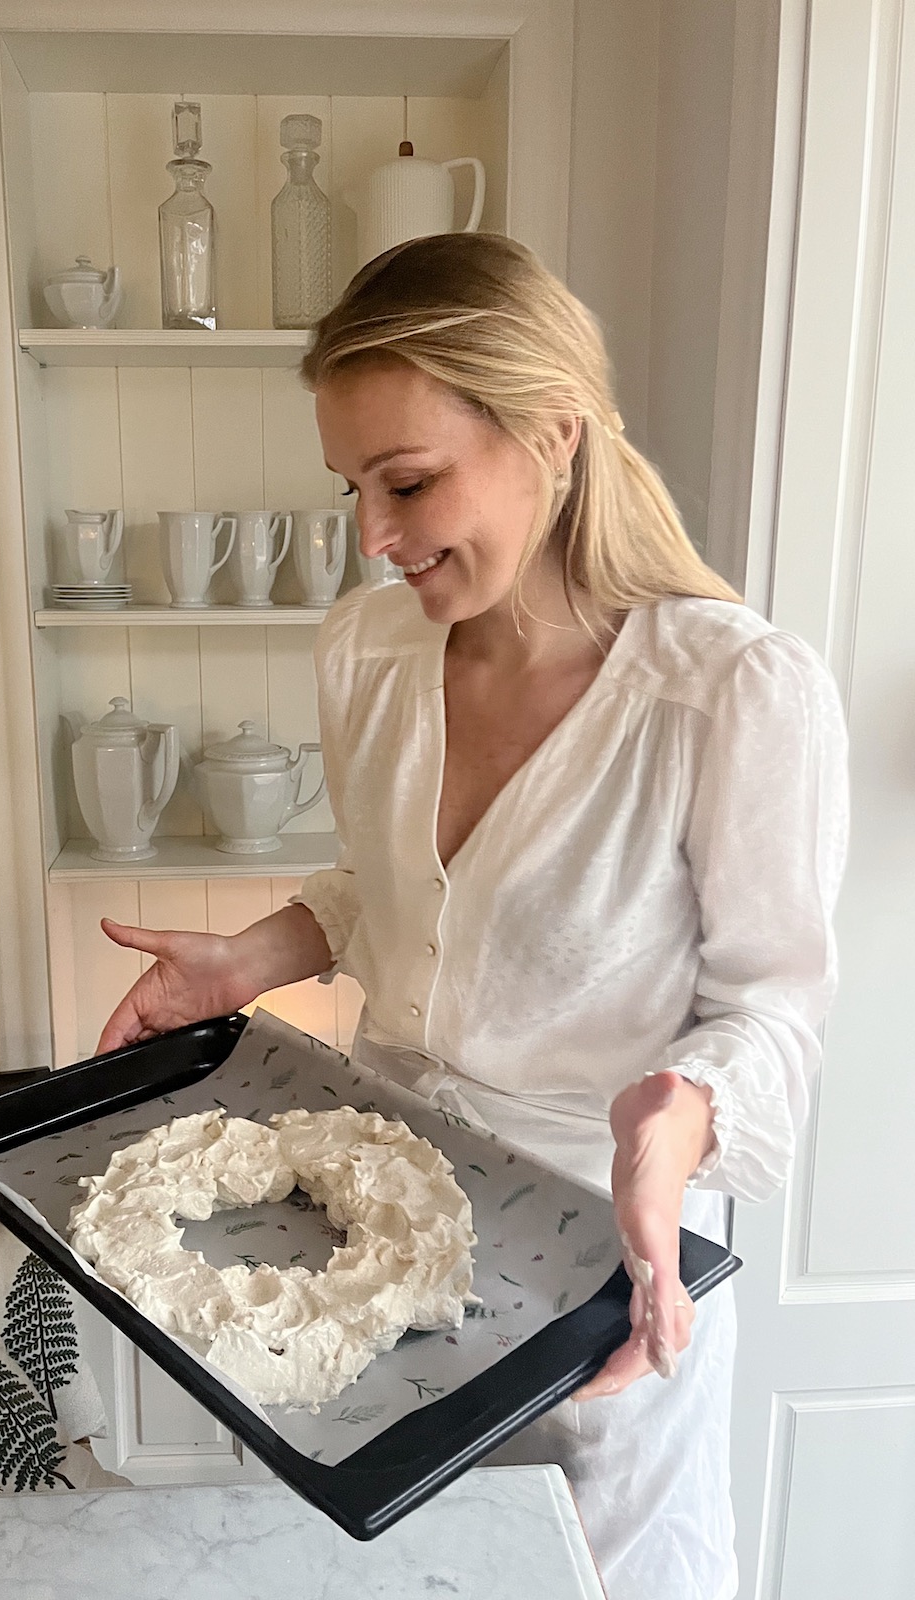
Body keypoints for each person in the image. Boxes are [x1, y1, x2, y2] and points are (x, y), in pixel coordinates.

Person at [95, 234, 850, 1600]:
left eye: (407, 481)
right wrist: (249, 960)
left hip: (595, 1267)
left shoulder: (729, 692)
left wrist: (680, 1115)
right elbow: (386, 891)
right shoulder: (370, 651)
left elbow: (774, 1007)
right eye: (352, 489)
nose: (373, 537)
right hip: (362, 1217)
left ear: (552, 433)